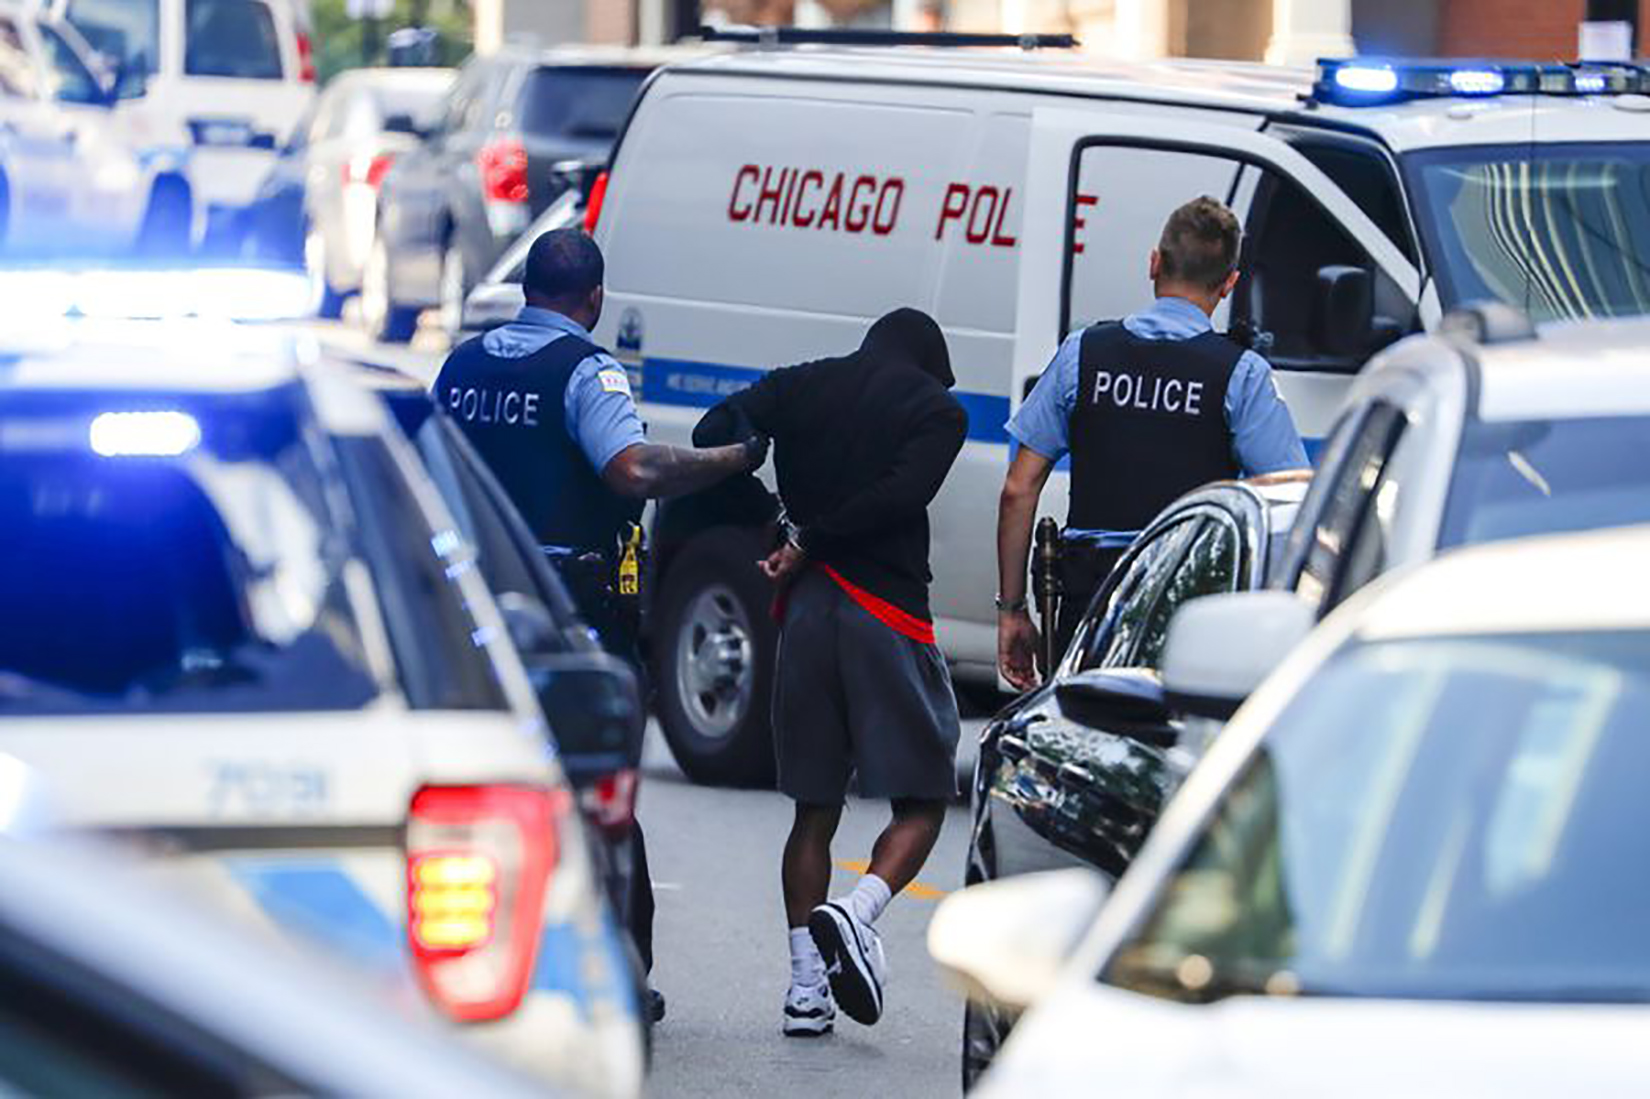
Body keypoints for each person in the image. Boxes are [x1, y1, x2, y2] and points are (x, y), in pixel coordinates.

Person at [433, 228, 767, 1021]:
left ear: (527, 289)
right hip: (568, 613)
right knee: (598, 790)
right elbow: (633, 469)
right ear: (594, 300)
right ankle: (620, 966)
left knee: (483, 783)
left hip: (469, 604)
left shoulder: (462, 366)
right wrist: (730, 462)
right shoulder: (586, 368)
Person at [695, 308, 967, 1038]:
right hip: (886, 616)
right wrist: (809, 535)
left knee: (813, 810)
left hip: (806, 618)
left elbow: (713, 430)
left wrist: (774, 516)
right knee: (924, 798)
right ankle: (857, 908)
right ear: (929, 361)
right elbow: (901, 496)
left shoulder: (801, 385)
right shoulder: (937, 410)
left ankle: (805, 992)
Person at [996, 196, 1308, 690]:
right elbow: (1289, 497)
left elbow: (1019, 488)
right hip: (1188, 600)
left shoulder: (1083, 352)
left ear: (1154, 263)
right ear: (1228, 285)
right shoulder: (1241, 374)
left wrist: (1012, 610)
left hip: (1087, 597)